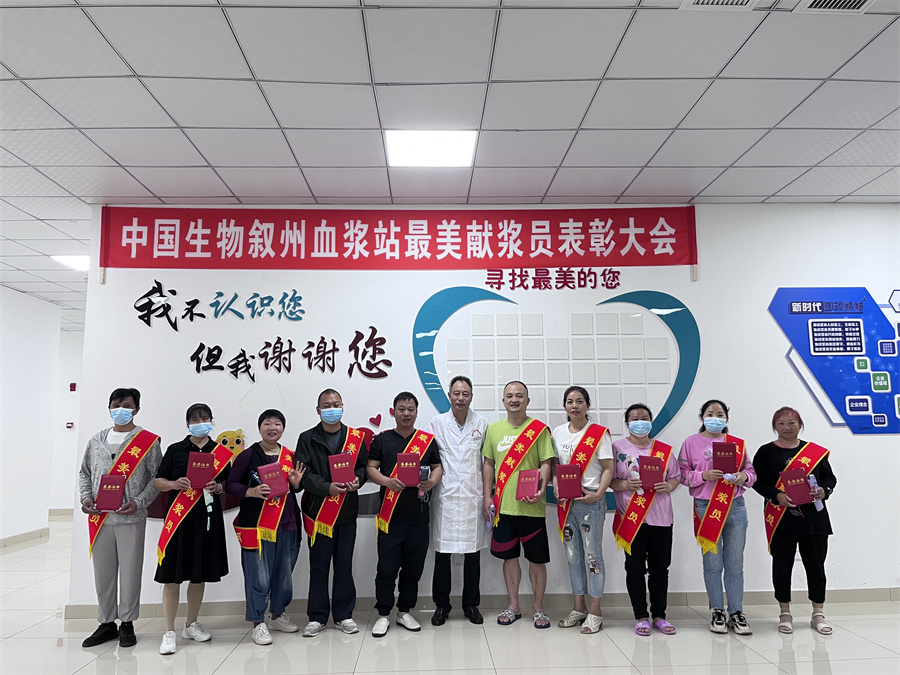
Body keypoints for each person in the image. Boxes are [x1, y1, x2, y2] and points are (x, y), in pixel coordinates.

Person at [78, 387, 162, 649]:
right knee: (102, 573)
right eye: (116, 405)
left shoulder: (147, 442)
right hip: (99, 518)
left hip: (131, 518)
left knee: (130, 572)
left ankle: (127, 623)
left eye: (126, 405)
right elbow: (84, 473)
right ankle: (106, 623)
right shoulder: (96, 441)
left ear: (136, 409)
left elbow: (156, 479)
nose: (120, 410)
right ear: (109, 408)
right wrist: (85, 498)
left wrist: (139, 502)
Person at [154, 403, 233, 655]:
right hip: (179, 520)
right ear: (188, 423)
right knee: (171, 575)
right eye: (195, 419)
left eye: (205, 418)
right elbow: (158, 481)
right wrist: (174, 484)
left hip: (206, 519)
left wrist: (218, 487)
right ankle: (169, 631)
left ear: (212, 420)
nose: (200, 422)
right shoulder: (175, 450)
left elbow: (228, 483)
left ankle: (191, 624)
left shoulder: (220, 452)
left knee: (199, 573)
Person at [752, 406, 837, 636]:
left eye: (792, 422)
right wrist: (776, 495)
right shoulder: (766, 452)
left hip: (814, 519)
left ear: (800, 425)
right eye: (781, 423)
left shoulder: (814, 452)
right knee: (782, 566)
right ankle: (785, 613)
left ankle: (818, 613)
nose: (786, 427)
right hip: (782, 518)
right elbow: (757, 481)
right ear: (774, 426)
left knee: (816, 566)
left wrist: (824, 490)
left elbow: (830, 478)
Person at [224, 409, 305, 646]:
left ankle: (277, 615)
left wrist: (296, 484)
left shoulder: (290, 455)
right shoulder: (247, 455)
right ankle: (257, 622)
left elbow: (294, 487)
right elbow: (230, 484)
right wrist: (250, 491)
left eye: (277, 424)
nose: (272, 428)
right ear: (260, 428)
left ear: (283, 428)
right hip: (257, 525)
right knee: (258, 575)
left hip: (288, 522)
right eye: (267, 423)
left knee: (284, 574)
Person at [677, 399, 756, 636]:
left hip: (735, 506)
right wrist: (704, 475)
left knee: (735, 563)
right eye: (710, 414)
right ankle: (717, 610)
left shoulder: (737, 444)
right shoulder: (691, 443)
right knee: (712, 563)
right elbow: (682, 475)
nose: (715, 418)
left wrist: (743, 477)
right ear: (702, 417)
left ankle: (737, 611)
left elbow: (751, 472)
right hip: (706, 507)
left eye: (720, 414)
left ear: (727, 418)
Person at [367, 392, 442, 636]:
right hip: (390, 517)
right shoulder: (382, 440)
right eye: (401, 409)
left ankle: (404, 611)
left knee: (413, 568)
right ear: (394, 411)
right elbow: (370, 469)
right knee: (386, 567)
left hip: (418, 516)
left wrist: (432, 481)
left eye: (411, 409)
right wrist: (387, 481)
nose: (406, 413)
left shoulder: (426, 441)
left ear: (416, 412)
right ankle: (383, 614)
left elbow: (437, 467)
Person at [482, 381, 555, 629]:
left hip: (532, 508)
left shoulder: (539, 430)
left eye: (520, 396)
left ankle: (539, 609)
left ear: (527, 400)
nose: (514, 400)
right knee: (509, 558)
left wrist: (542, 489)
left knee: (537, 560)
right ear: (503, 401)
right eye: (510, 396)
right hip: (503, 509)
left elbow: (546, 462)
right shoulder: (493, 430)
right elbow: (489, 464)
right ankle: (514, 606)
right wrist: (487, 496)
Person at [297, 389, 368, 637]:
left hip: (346, 512)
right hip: (319, 514)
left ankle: (343, 615)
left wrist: (358, 480)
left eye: (336, 404)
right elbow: (303, 474)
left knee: (344, 565)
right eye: (326, 405)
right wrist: (326, 487)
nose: (331, 409)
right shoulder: (307, 438)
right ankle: (317, 617)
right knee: (318, 567)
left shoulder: (355, 438)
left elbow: (363, 467)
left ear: (343, 407)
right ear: (318, 410)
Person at [610, 403, 680, 637]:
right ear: (627, 423)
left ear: (651, 422)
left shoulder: (664, 450)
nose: (640, 422)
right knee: (634, 568)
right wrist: (625, 484)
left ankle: (659, 616)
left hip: (661, 518)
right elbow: (609, 480)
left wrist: (668, 486)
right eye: (634, 418)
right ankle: (641, 616)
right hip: (632, 519)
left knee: (660, 569)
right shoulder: (617, 448)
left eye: (644, 418)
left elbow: (675, 477)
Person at [425, 375, 488, 627]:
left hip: (473, 496)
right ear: (449, 395)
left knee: (473, 554)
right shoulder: (437, 423)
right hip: (446, 497)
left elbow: (488, 462)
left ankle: (471, 604)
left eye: (465, 394)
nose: (461, 398)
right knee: (442, 555)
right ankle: (442, 606)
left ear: (471, 397)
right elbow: (428, 457)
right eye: (456, 393)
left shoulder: (481, 423)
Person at [551, 386, 614, 635]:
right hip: (567, 503)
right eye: (570, 401)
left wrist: (599, 494)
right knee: (572, 556)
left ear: (588, 405)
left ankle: (596, 611)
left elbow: (608, 467)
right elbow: (555, 466)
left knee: (592, 556)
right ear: (565, 406)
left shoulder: (598, 434)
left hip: (591, 501)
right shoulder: (557, 432)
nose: (574, 406)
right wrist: (556, 485)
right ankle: (579, 607)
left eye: (579, 401)